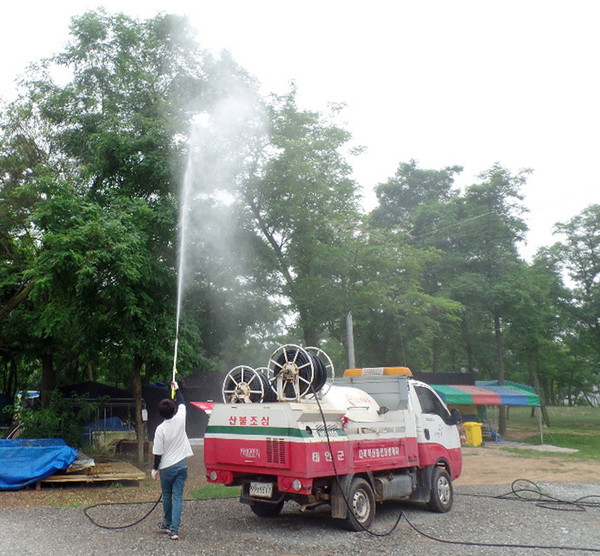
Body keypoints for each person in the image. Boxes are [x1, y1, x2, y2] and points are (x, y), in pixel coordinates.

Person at [151, 380, 193, 540]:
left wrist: (155, 469)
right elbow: (182, 402)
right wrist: (177, 388)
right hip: (182, 465)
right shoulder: (181, 418)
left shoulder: (160, 430)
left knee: (167, 496)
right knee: (178, 498)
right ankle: (175, 530)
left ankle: (167, 524)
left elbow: (158, 453)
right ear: (174, 409)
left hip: (167, 468)